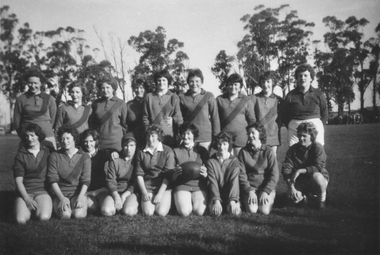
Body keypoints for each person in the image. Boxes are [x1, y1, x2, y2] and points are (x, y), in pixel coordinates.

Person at [282, 122, 329, 209]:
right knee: (293, 199)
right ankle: (304, 196)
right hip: (301, 180)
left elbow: (318, 167)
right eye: (299, 135)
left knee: (317, 177)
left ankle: (321, 200)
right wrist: (291, 187)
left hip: (316, 178)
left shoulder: (317, 147)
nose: (301, 138)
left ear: (311, 136)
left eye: (304, 136)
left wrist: (300, 170)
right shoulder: (293, 149)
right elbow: (286, 168)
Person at [47, 125, 91, 219]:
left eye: (68, 138)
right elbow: (52, 179)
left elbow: (86, 180)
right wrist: (61, 198)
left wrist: (80, 198)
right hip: (60, 193)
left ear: (74, 138)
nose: (65, 141)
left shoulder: (84, 156)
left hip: (78, 193)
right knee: (65, 215)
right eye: (62, 139)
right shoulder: (54, 156)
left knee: (78, 215)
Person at [12, 123, 53, 224]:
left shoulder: (48, 151)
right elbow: (18, 182)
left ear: (38, 136)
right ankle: (28, 208)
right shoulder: (20, 155)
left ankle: (39, 207)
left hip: (42, 191)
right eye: (27, 136)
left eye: (32, 135)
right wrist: (27, 199)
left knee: (44, 217)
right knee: (20, 220)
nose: (29, 138)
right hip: (25, 192)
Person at [282, 63, 328, 146]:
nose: (302, 78)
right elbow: (285, 115)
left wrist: (316, 127)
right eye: (300, 76)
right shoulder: (290, 95)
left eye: (305, 75)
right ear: (297, 78)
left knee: (316, 153)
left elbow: (324, 114)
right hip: (294, 130)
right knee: (295, 155)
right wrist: (294, 125)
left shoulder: (319, 94)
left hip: (315, 128)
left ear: (311, 78)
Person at [238, 123, 279, 215]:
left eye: (253, 133)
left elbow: (274, 174)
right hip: (250, 188)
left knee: (264, 211)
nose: (250, 136)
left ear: (260, 134)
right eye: (248, 133)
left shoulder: (269, 151)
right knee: (252, 210)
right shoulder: (243, 152)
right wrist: (249, 190)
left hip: (265, 187)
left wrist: (266, 191)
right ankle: (244, 197)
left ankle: (272, 195)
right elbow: (241, 174)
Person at [135, 125, 174, 216]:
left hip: (163, 187)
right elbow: (139, 174)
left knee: (161, 212)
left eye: (153, 136)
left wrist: (160, 194)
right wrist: (144, 192)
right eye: (148, 136)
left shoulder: (168, 151)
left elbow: (168, 175)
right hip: (147, 186)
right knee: (148, 213)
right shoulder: (141, 152)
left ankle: (167, 198)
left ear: (159, 137)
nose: (150, 138)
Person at [14, 68, 57, 150]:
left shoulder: (50, 99)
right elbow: (16, 122)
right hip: (28, 138)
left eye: (35, 83)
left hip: (47, 136)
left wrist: (44, 130)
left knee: (50, 161)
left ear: (41, 83)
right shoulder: (21, 99)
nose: (33, 86)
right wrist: (25, 136)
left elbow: (53, 119)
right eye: (30, 83)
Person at [172, 122, 209, 216]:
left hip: (198, 185)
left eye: (188, 133)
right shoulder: (175, 151)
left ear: (194, 135)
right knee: (185, 212)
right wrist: (175, 174)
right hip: (182, 184)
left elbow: (209, 170)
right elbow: (171, 175)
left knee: (200, 212)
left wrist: (206, 175)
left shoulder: (202, 150)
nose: (185, 136)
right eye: (183, 134)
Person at [179, 69, 220, 151]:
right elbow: (180, 119)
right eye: (191, 81)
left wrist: (216, 139)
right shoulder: (182, 97)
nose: (194, 84)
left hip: (205, 138)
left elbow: (215, 119)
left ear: (202, 82)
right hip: (188, 138)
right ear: (188, 82)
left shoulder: (209, 96)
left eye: (197, 81)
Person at [216, 73, 255, 155]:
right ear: (227, 85)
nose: (233, 87)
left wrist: (251, 135)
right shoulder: (219, 99)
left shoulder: (246, 100)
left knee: (240, 163)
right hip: (224, 139)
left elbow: (252, 120)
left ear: (240, 86)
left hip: (241, 138)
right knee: (226, 162)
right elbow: (215, 119)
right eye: (230, 84)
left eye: (236, 85)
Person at [142, 70, 183, 147]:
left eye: (164, 80)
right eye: (159, 80)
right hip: (153, 139)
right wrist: (148, 134)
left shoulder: (174, 97)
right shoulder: (149, 97)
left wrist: (173, 120)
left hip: (169, 138)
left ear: (168, 82)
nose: (161, 82)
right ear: (155, 82)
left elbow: (178, 118)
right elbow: (145, 118)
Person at [101, 133, 139, 216]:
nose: (129, 148)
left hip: (129, 192)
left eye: (131, 145)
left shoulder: (138, 160)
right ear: (122, 146)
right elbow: (111, 181)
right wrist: (116, 196)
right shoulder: (115, 159)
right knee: (106, 211)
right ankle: (116, 205)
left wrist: (125, 195)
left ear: (136, 146)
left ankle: (131, 204)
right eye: (126, 145)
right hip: (115, 191)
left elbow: (136, 183)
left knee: (129, 211)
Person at [89, 73, 128, 152]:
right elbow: (92, 124)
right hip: (100, 143)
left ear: (113, 88)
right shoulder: (96, 104)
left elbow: (125, 125)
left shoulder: (121, 103)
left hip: (117, 144)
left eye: (108, 87)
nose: (105, 90)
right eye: (103, 88)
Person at [207, 132, 242, 216]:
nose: (221, 147)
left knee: (235, 213)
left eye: (224, 144)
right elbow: (212, 182)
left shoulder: (235, 161)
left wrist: (232, 201)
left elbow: (234, 181)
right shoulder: (211, 161)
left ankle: (231, 203)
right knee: (215, 213)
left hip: (230, 195)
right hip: (216, 195)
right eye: (219, 144)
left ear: (229, 145)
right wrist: (216, 200)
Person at [254, 71, 283, 155]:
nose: (265, 84)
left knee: (272, 164)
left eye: (268, 82)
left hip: (273, 138)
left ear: (273, 82)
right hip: (258, 137)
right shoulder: (254, 98)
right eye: (263, 82)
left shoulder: (279, 100)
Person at [80, 129, 109, 214]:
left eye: (91, 141)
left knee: (105, 208)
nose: (88, 144)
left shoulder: (102, 154)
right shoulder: (80, 155)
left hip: (101, 189)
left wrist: (114, 153)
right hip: (87, 190)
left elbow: (111, 154)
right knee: (94, 208)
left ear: (96, 141)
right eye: (86, 141)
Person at [126, 77, 148, 148]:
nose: (139, 90)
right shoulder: (128, 105)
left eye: (141, 87)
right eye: (136, 88)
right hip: (134, 139)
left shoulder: (149, 102)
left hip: (148, 138)